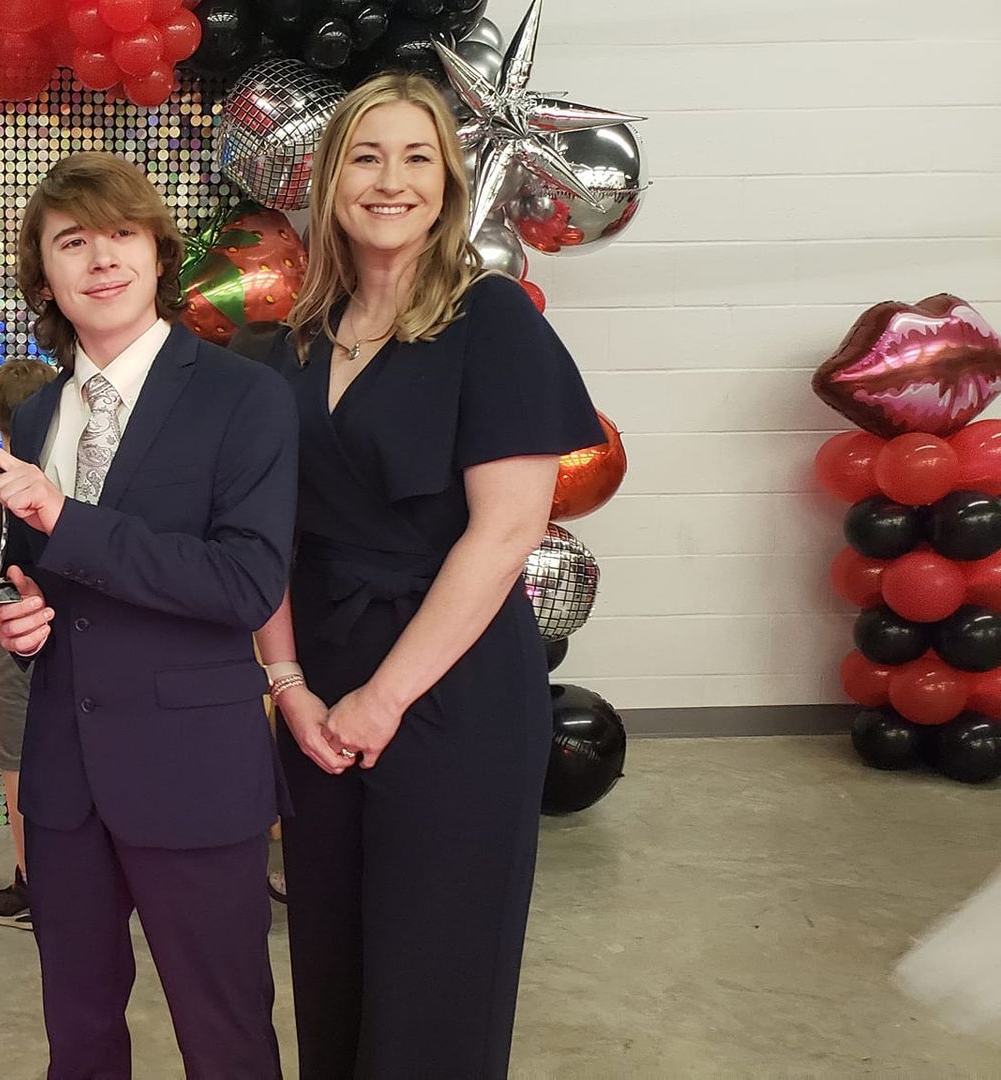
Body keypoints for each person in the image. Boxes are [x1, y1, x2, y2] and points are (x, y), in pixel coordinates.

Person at [247, 72, 604, 1079]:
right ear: (328, 182)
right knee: (332, 964)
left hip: (449, 692)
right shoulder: (297, 341)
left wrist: (381, 700)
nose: (390, 181)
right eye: (366, 156)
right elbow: (269, 533)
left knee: (435, 978)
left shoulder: (491, 321)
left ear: (449, 185)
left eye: (416, 158)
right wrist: (290, 688)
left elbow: (505, 534)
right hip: (319, 691)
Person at [0, 152, 298, 1079]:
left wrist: (65, 521)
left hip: (192, 774)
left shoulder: (246, 397)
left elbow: (244, 583)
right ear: (45, 277)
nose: (100, 258)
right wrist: (16, 616)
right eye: (73, 241)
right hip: (66, 782)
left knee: (224, 1030)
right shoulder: (33, 421)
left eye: (121, 234)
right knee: (77, 1031)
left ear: (158, 254)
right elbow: (50, 580)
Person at [0, 357, 55, 931]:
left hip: (5, 629)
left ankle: (32, 882)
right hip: (64, 628)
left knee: (16, 760)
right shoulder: (65, 479)